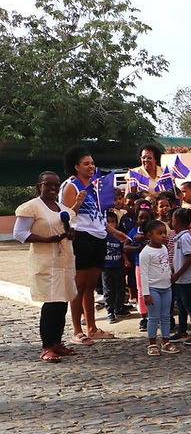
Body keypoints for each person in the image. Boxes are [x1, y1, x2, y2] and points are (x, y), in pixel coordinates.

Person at [60, 145, 123, 344]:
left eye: (92, 163)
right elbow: (66, 216)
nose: (91, 167)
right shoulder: (72, 186)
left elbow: (99, 216)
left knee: (90, 287)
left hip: (99, 238)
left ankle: (92, 328)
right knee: (78, 286)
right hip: (82, 238)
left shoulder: (96, 187)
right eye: (86, 163)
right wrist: (77, 204)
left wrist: (114, 232)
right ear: (76, 167)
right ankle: (77, 331)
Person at [15, 171, 77, 362]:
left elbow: (66, 229)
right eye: (48, 184)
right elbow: (19, 233)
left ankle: (57, 342)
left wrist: (69, 233)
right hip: (46, 263)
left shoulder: (62, 209)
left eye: (56, 185)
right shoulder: (32, 207)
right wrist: (47, 239)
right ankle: (47, 346)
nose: (52, 188)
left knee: (62, 303)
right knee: (51, 304)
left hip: (64, 262)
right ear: (39, 186)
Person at [140, 220, 180, 356]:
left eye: (164, 233)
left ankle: (166, 342)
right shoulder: (146, 253)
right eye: (159, 233)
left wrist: (170, 276)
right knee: (153, 317)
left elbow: (166, 265)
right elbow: (144, 274)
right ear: (149, 235)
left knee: (165, 316)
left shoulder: (164, 248)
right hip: (153, 289)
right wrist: (146, 293)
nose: (163, 236)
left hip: (166, 288)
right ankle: (152, 344)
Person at [170, 208, 191, 345]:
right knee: (181, 306)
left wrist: (177, 274)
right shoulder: (179, 237)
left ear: (177, 221)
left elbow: (189, 257)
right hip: (180, 280)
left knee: (190, 306)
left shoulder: (185, 237)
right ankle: (182, 331)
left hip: (187, 279)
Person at [102, 211, 128, 324]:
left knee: (120, 287)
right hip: (106, 268)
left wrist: (126, 260)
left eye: (113, 222)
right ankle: (110, 311)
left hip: (118, 266)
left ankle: (119, 308)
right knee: (108, 290)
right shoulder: (103, 238)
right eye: (108, 222)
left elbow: (122, 251)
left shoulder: (119, 237)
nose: (111, 225)